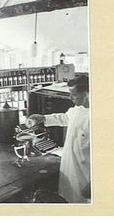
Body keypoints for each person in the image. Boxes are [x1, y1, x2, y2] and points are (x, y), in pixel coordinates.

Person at [26, 75, 90, 203]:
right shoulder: (78, 109)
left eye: (74, 95)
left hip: (85, 178)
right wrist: (43, 118)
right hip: (70, 171)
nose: (70, 98)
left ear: (87, 93)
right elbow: (65, 118)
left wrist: (93, 185)